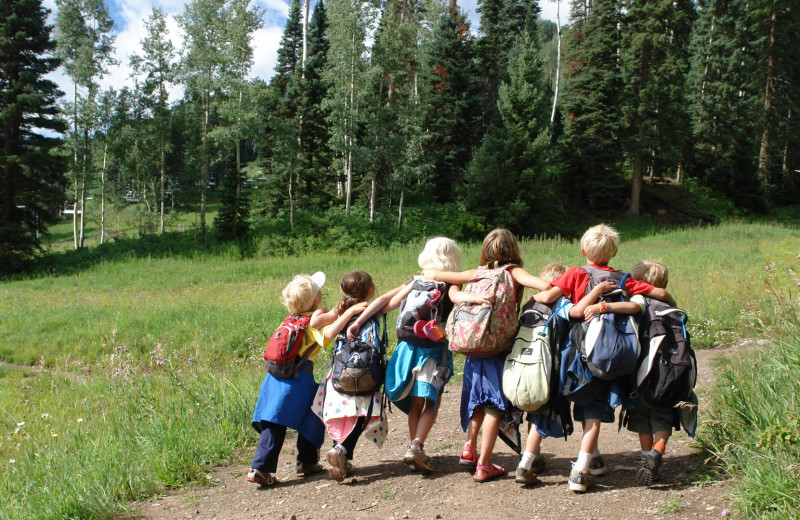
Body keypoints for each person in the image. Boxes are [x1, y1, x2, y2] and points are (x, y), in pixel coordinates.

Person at [533, 224, 674, 493]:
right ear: (614, 252)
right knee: (595, 411)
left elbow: (548, 296)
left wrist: (535, 295)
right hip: (614, 354)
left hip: (581, 353)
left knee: (588, 409)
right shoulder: (623, 278)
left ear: (583, 249)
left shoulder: (575, 273)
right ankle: (593, 460)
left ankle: (580, 471)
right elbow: (659, 293)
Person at [347, 237, 486, 473]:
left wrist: (358, 321)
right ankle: (416, 446)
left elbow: (384, 302)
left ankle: (415, 448)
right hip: (432, 351)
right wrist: (475, 297)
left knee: (415, 404)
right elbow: (458, 292)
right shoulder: (448, 281)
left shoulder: (415, 280)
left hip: (407, 349)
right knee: (432, 401)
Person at [425, 229, 551, 483]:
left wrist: (463, 294)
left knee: (476, 401)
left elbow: (433, 274)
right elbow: (547, 286)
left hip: (473, 345)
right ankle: (484, 465)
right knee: (494, 405)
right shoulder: (513, 272)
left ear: (485, 250)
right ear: (513, 250)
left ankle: (469, 450)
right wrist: (527, 304)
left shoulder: (477, 273)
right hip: (498, 346)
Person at [583, 258, 691, 487]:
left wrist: (604, 307)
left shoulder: (639, 300)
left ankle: (645, 457)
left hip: (642, 377)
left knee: (642, 418)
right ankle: (657, 452)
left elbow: (631, 316)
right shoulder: (670, 306)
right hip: (669, 375)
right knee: (663, 417)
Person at [516, 263, 616, 485]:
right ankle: (593, 459)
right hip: (559, 369)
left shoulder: (529, 305)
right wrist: (596, 292)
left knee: (540, 414)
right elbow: (577, 313)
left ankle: (528, 462)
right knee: (587, 407)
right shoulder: (560, 303)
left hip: (533, 368)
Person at [248, 272, 342, 486]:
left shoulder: (290, 319)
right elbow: (327, 337)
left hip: (274, 379)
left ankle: (260, 468)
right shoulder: (313, 323)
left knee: (274, 423)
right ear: (316, 300)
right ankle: (306, 462)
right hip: (298, 380)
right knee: (314, 414)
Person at [311, 270, 398, 483]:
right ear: (370, 291)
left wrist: (344, 313)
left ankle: (339, 455)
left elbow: (324, 330)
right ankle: (342, 450)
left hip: (340, 373)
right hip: (365, 372)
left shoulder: (341, 310)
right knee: (362, 415)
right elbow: (391, 299)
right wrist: (413, 282)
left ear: (342, 291)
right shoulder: (373, 310)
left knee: (340, 415)